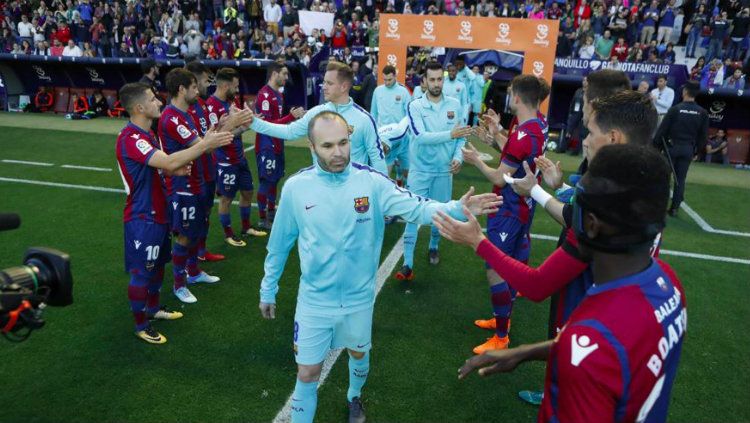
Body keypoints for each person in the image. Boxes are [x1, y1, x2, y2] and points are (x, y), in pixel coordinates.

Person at [258, 110, 501, 423]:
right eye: (328, 146)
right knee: (307, 373)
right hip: (314, 302)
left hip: (359, 299)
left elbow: (418, 207)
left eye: (343, 142)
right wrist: (268, 287)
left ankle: (354, 396)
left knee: (359, 354)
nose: (338, 152)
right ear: (312, 147)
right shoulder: (295, 188)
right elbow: (279, 245)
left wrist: (455, 207)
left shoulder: (372, 183)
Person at [444, 144, 687, 423]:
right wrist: (528, 352)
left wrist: (477, 241)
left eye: (576, 203)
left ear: (591, 224)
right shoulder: (669, 281)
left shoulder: (593, 339)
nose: (569, 209)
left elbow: (596, 351)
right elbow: (618, 352)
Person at [116, 82, 232, 343]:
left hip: (160, 212)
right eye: (152, 99)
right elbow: (167, 160)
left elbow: (161, 166)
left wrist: (173, 171)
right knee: (142, 272)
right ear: (139, 108)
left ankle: (154, 309)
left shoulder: (148, 135)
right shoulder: (131, 138)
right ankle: (140, 324)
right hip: (142, 217)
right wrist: (202, 147)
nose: (158, 102)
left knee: (157, 268)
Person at [460, 75, 546, 354]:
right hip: (522, 205)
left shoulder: (523, 132)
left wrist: (475, 160)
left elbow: (499, 175)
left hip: (510, 207)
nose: (509, 97)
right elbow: (516, 153)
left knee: (495, 267)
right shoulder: (535, 124)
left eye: (510, 93)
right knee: (509, 264)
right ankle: (502, 321)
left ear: (518, 97)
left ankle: (501, 336)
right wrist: (496, 134)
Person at [158, 69, 234, 303]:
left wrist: (217, 130)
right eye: (193, 86)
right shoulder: (172, 118)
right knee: (184, 235)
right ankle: (179, 284)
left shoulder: (186, 114)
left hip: (196, 181)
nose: (197, 90)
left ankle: (193, 272)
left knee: (196, 230)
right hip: (181, 185)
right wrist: (227, 129)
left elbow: (203, 142)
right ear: (181, 89)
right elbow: (203, 146)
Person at [393, 61, 472, 281]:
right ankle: (407, 263)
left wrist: (457, 157)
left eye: (440, 79)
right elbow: (420, 136)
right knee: (412, 215)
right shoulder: (415, 106)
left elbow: (462, 135)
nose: (437, 84)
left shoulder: (455, 105)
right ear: (424, 81)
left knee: (440, 214)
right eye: (432, 79)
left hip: (443, 172)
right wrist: (451, 135)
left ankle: (433, 246)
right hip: (419, 171)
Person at [248, 61, 387, 173]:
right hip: (321, 192)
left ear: (344, 87)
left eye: (329, 83)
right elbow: (289, 132)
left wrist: (382, 193)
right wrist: (253, 122)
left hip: (353, 196)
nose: (323, 87)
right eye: (324, 82)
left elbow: (377, 158)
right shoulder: (316, 113)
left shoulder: (364, 119)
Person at [206, 68, 268, 248]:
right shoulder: (212, 105)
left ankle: (246, 227)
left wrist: (248, 123)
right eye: (235, 85)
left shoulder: (230, 102)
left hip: (239, 157)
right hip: (225, 161)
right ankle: (228, 234)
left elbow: (236, 130)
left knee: (248, 191)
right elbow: (215, 135)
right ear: (225, 85)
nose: (238, 89)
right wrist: (240, 126)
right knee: (226, 198)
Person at [254, 62, 306, 229]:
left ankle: (271, 212)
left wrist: (292, 117)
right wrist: (290, 117)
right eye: (284, 73)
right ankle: (262, 219)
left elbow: (277, 122)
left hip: (277, 143)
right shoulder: (265, 96)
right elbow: (267, 125)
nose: (286, 77)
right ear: (274, 74)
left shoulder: (278, 95)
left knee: (275, 179)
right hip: (266, 145)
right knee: (266, 181)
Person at [653, 80, 709, 216]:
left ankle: (659, 207)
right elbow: (703, 136)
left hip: (671, 147)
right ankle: (675, 208)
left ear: (684, 92)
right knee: (680, 179)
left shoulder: (675, 109)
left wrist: (656, 147)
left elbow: (662, 131)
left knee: (664, 177)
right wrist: (697, 152)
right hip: (688, 149)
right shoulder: (702, 112)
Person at [370, 65, 412, 184]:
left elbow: (409, 114)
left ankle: (405, 192)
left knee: (407, 173)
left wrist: (405, 131)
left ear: (395, 76)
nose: (387, 82)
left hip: (402, 139)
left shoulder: (403, 92)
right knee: (384, 175)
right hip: (385, 139)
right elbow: (373, 113)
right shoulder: (378, 91)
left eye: (389, 79)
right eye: (385, 80)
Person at [559, 77, 586, 154]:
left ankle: (576, 151)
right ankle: (562, 148)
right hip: (575, 113)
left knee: (581, 133)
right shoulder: (578, 91)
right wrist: (570, 112)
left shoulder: (589, 93)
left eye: (586, 81)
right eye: (583, 80)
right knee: (568, 131)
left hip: (583, 115)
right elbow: (573, 102)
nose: (584, 82)